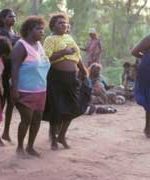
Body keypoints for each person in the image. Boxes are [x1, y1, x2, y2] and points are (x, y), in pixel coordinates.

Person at [43, 13, 87, 150]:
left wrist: (83, 69)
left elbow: (77, 56)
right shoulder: (50, 39)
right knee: (56, 109)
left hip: (71, 77)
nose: (64, 25)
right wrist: (63, 52)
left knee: (72, 107)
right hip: (56, 77)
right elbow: (46, 58)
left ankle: (62, 135)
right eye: (60, 23)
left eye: (65, 23)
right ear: (53, 25)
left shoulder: (69, 37)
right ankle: (53, 139)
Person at [11, 16, 50, 156]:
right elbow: (14, 69)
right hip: (24, 91)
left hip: (40, 90)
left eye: (42, 29)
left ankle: (30, 146)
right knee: (26, 119)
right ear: (29, 30)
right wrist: (14, 90)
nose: (42, 32)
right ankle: (20, 147)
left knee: (37, 119)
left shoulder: (39, 45)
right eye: (38, 29)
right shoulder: (20, 46)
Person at [0, 8, 19, 144]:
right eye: (10, 16)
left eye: (14, 16)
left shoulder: (14, 33)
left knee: (11, 102)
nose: (13, 18)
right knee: (0, 104)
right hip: (1, 71)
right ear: (3, 19)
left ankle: (6, 132)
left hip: (12, 71)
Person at [131, 17, 150, 138]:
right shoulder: (149, 38)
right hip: (148, 73)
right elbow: (134, 51)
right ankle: (148, 129)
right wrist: (144, 57)